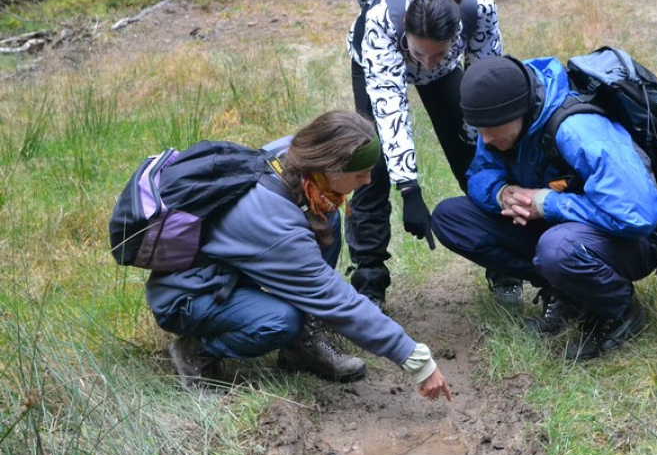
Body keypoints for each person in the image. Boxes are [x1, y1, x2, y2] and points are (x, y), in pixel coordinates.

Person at [145, 110, 451, 400]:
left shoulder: (297, 158)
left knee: (326, 216)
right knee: (280, 321)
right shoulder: (276, 225)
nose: (368, 182)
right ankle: (196, 349)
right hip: (188, 295)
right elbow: (335, 299)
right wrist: (414, 357)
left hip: (228, 267)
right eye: (361, 174)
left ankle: (302, 345)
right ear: (331, 168)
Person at [431, 56, 657, 360]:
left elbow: (637, 216)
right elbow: (479, 173)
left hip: (631, 241)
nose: (485, 139)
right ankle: (569, 292)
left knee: (557, 249)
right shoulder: (498, 119)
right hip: (566, 230)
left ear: (520, 113)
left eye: (491, 130)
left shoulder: (576, 131)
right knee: (451, 218)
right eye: (478, 129)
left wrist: (549, 204)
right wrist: (500, 193)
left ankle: (620, 310)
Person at [346, 0, 522, 309]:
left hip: (446, 75)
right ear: (405, 33)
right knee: (372, 163)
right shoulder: (381, 22)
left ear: (455, 35)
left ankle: (504, 268)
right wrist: (409, 189)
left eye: (438, 54)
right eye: (419, 54)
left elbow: (486, 81)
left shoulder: (478, 7)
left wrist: (478, 140)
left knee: (478, 155)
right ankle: (369, 283)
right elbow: (391, 113)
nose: (425, 63)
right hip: (373, 58)